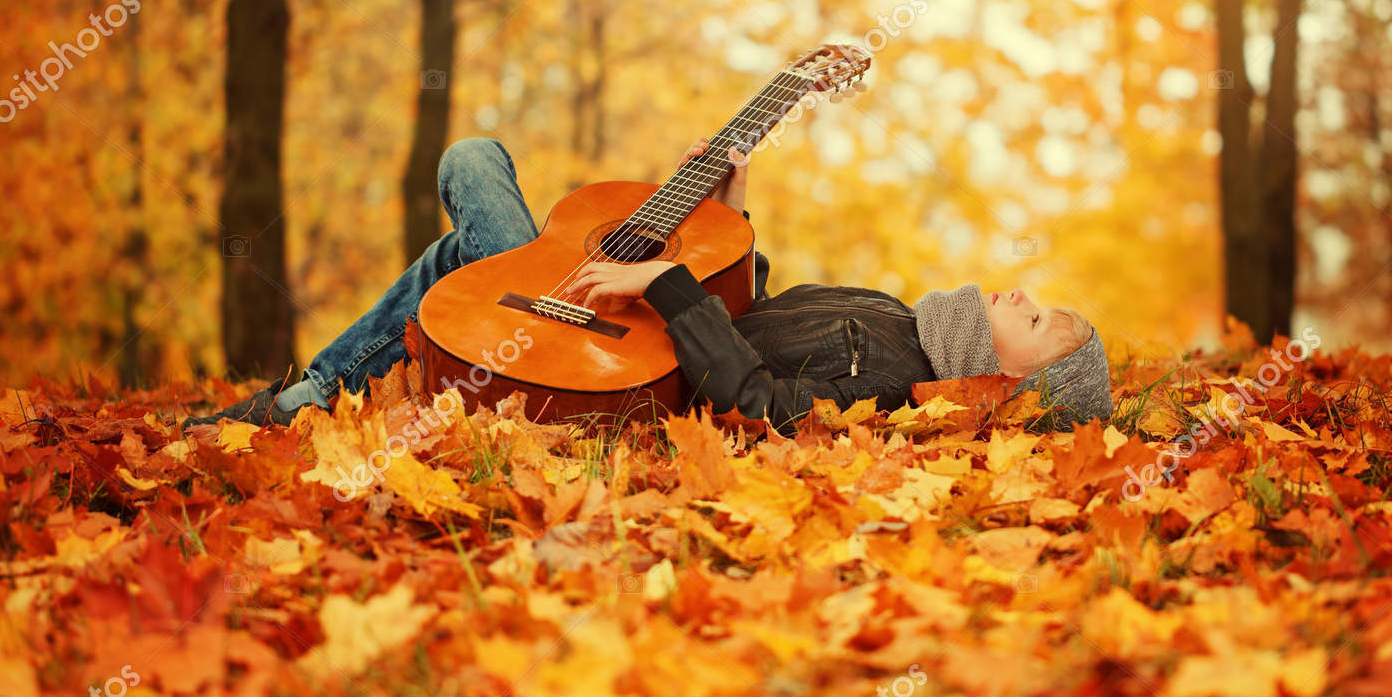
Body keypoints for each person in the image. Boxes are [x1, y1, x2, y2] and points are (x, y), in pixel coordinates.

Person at [183, 136, 1112, 433]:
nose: (1024, 293)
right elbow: (750, 314)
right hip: (623, 320)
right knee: (463, 257)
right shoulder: (894, 315)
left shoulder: (889, 389)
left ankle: (309, 393)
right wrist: (734, 220)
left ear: (1008, 384)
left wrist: (665, 282)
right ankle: (309, 395)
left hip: (609, 358)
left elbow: (752, 395)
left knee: (472, 169)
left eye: (1039, 322)